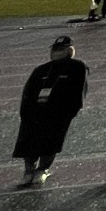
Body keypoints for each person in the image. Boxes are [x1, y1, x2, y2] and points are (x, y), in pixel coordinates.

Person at [13, 34, 87, 186]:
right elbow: (28, 92)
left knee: (50, 142)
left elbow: (78, 92)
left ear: (69, 50)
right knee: (29, 142)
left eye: (61, 49)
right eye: (55, 48)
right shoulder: (41, 70)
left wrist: (69, 113)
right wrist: (26, 113)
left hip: (57, 114)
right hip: (35, 113)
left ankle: (42, 169)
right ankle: (28, 171)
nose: (57, 51)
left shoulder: (77, 67)